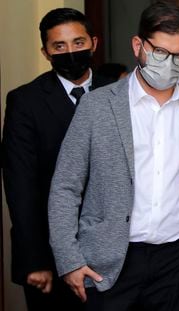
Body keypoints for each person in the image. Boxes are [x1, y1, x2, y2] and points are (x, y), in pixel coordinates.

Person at [48, 2, 179, 311]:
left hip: (178, 260)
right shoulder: (97, 107)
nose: (169, 63)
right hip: (109, 259)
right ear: (138, 46)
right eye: (160, 53)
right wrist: (69, 259)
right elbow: (65, 187)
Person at [2, 8, 112, 311]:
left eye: (78, 43)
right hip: (50, 255)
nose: (70, 52)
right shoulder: (25, 101)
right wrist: (34, 260)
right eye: (59, 46)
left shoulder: (118, 93)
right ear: (45, 52)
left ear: (94, 42)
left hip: (114, 251)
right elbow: (20, 186)